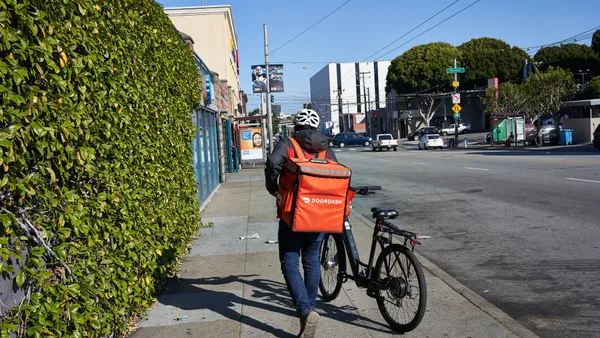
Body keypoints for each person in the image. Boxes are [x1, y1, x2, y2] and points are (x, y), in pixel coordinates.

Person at [264, 109, 336, 338]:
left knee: (289, 262)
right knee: (312, 261)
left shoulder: (289, 144)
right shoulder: (326, 149)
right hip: (321, 215)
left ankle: (305, 311)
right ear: (316, 129)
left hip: (293, 214)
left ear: (295, 127)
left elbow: (272, 164)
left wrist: (273, 188)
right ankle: (310, 308)